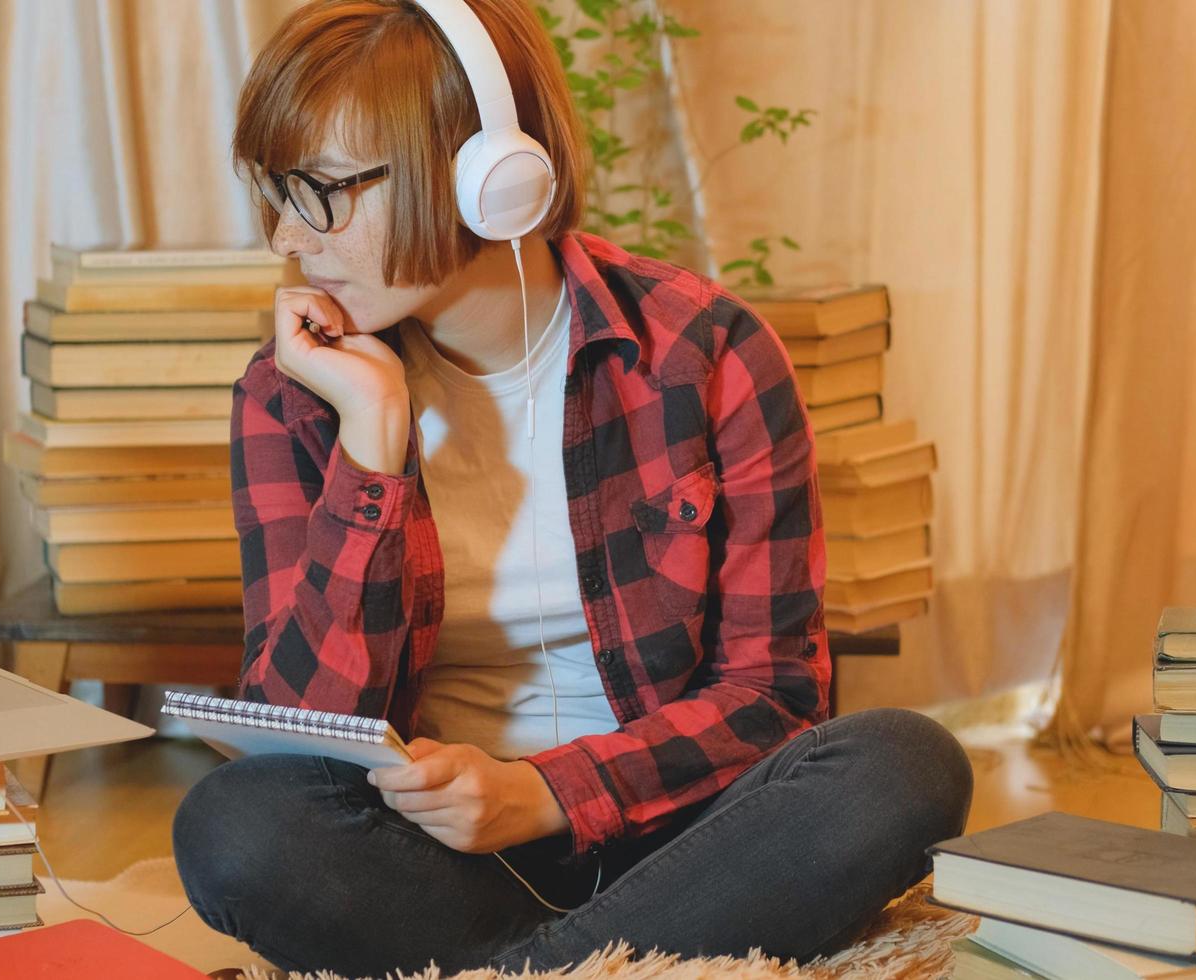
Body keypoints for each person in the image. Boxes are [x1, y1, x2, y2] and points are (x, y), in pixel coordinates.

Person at [170, 0, 973, 974]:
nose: (289, 240)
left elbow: (774, 693)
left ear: (485, 180)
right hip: (434, 853)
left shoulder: (706, 352)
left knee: (903, 762)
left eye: (324, 191)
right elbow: (303, 736)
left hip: (686, 832)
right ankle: (598, 962)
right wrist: (370, 446)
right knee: (233, 822)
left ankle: (525, 965)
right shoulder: (293, 394)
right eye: (277, 193)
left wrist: (544, 790)